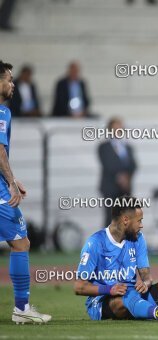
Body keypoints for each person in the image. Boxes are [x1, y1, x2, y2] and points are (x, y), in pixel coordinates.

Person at [0, 60, 51, 324]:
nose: (13, 84)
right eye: (8, 79)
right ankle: (21, 309)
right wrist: (10, 182)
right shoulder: (0, 112)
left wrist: (12, 177)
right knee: (21, 243)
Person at [98, 118, 137, 227]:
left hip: (125, 189)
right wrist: (120, 176)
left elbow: (133, 165)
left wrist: (127, 177)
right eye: (116, 128)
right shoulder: (104, 147)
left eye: (120, 128)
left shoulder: (128, 147)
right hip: (110, 188)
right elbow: (108, 164)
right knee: (110, 217)